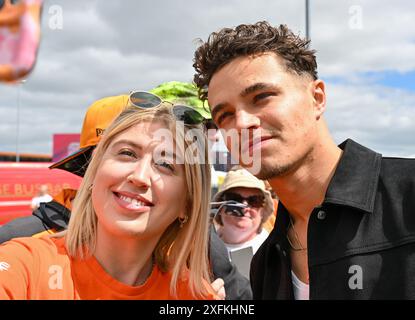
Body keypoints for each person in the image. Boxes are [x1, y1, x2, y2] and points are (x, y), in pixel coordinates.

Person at [193, 21, 415, 299]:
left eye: (261, 97)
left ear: (317, 97)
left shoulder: (407, 198)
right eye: (224, 115)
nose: (242, 123)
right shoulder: (267, 262)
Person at [0, 82, 252, 300]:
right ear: (93, 172)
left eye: (165, 165)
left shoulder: (194, 295)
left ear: (188, 202)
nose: (140, 177)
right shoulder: (23, 266)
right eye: (126, 153)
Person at [212, 167, 274, 279]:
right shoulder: (203, 243)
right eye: (235, 200)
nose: (245, 207)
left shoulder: (271, 253)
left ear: (263, 210)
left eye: (254, 201)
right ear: (220, 206)